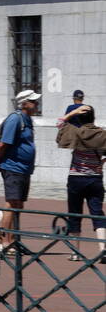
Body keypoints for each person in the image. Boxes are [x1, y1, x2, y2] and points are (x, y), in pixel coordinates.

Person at [56, 104, 106, 262]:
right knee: (97, 213)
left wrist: (72, 112)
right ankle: (103, 249)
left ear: (80, 118)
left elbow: (60, 123)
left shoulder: (75, 132)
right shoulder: (102, 134)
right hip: (95, 178)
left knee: (74, 214)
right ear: (94, 118)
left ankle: (75, 252)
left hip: (76, 178)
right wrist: (102, 162)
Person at [0, 90, 39, 254]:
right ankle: (5, 241)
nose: (37, 104)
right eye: (33, 101)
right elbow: (3, 144)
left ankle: (13, 239)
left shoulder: (28, 120)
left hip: (24, 169)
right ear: (24, 103)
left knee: (18, 204)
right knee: (11, 203)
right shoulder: (15, 118)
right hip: (13, 167)